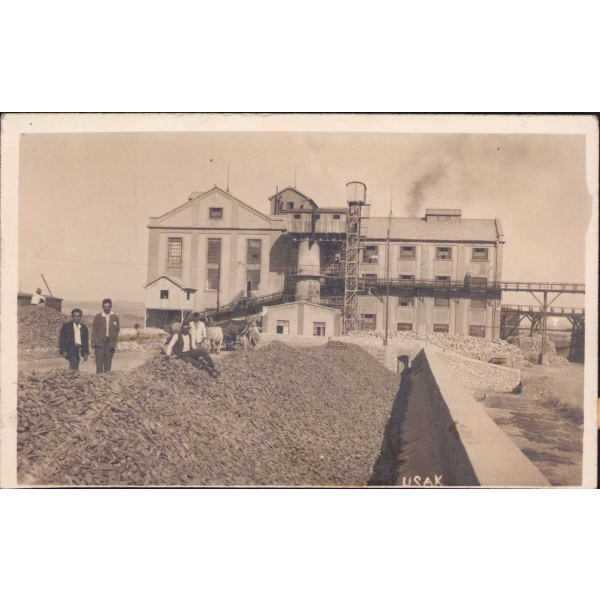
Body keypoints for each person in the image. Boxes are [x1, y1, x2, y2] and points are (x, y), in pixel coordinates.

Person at [91, 299, 120, 374]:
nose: (107, 308)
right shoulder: (98, 316)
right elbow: (94, 330)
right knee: (99, 363)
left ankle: (106, 379)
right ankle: (99, 378)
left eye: (108, 306)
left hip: (110, 343)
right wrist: (93, 341)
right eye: (105, 306)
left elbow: (117, 330)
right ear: (102, 307)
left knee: (108, 363)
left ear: (111, 307)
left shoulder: (115, 317)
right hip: (100, 343)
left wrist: (113, 339)